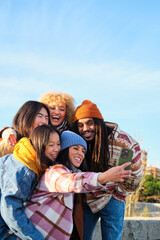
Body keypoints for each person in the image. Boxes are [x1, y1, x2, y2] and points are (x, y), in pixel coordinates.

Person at [7, 127, 131, 240]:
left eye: (83, 151)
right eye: (75, 148)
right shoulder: (54, 172)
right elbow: (72, 182)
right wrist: (104, 176)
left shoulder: (72, 173)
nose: (80, 153)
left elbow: (83, 182)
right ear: (65, 150)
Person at [72, 100, 143, 240]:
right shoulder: (77, 141)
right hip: (89, 197)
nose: (85, 128)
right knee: (81, 236)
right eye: (80, 125)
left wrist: (118, 194)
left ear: (98, 122)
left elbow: (136, 174)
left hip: (113, 197)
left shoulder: (123, 142)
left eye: (90, 123)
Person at [0, 101, 50, 239]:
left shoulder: (31, 152)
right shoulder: (23, 156)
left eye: (47, 118)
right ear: (27, 118)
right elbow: (10, 206)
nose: (45, 121)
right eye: (40, 116)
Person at [1, 91, 75, 146]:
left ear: (67, 112)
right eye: (52, 108)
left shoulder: (71, 133)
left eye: (62, 109)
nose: (57, 112)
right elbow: (20, 130)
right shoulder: (36, 129)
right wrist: (7, 132)